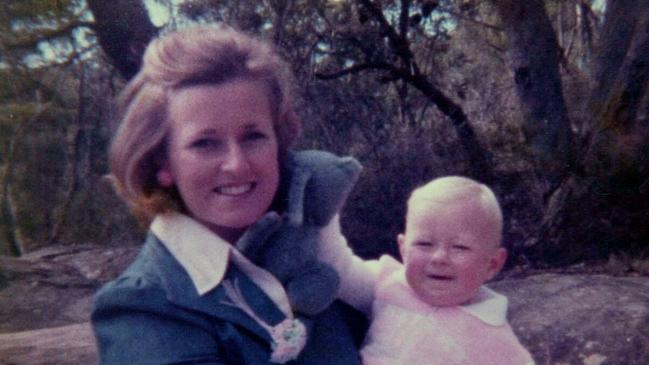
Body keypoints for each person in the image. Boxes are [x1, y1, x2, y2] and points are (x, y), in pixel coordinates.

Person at [91, 24, 369, 364]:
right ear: (162, 162)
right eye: (204, 143)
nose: (236, 165)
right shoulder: (143, 309)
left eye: (253, 137)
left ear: (279, 142)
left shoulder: (313, 251)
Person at [359, 176, 535, 365]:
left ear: (492, 264)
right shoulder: (386, 281)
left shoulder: (491, 337)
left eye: (459, 247)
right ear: (403, 249)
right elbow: (335, 262)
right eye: (424, 243)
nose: (439, 258)